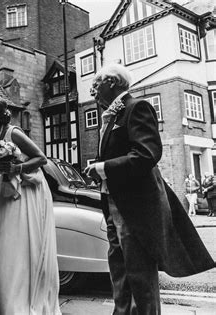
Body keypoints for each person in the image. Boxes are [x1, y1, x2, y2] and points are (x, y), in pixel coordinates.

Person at [85, 63, 215, 314]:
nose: (93, 89)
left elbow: (146, 154)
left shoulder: (136, 108)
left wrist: (102, 168)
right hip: (113, 204)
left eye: (97, 82)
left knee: (139, 275)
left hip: (136, 207)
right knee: (119, 271)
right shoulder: (111, 116)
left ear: (112, 82)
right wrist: (102, 174)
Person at [0, 96, 60, 314]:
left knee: (19, 241)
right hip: (6, 189)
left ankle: (23, 300)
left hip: (27, 191)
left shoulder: (13, 132)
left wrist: (16, 168)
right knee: (4, 241)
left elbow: (41, 159)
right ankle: (7, 298)